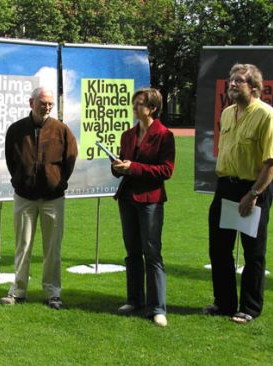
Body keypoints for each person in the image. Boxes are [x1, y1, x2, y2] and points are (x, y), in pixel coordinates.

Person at [204, 63, 273, 324]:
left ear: (255, 87)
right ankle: (224, 303)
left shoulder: (266, 116)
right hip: (225, 186)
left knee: (253, 252)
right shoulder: (227, 113)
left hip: (252, 189)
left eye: (239, 80)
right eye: (231, 80)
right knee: (219, 248)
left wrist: (254, 193)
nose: (232, 84)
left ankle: (249, 307)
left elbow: (272, 162)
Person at [0, 87, 78, 310]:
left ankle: (53, 292)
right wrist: (20, 179)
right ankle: (18, 290)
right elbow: (11, 159)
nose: (47, 107)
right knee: (22, 245)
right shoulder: (16, 130)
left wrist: (57, 181)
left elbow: (69, 160)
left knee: (52, 248)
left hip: (53, 198)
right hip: (24, 196)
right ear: (31, 102)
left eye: (50, 103)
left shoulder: (61, 130)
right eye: (43, 102)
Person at [111, 88, 175, 327]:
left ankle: (157, 307)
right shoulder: (128, 135)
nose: (135, 107)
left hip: (150, 200)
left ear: (152, 108)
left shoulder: (164, 135)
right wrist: (117, 166)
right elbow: (123, 163)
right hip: (128, 199)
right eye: (134, 103)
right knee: (132, 251)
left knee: (152, 253)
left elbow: (166, 170)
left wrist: (133, 167)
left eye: (139, 104)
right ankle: (134, 300)